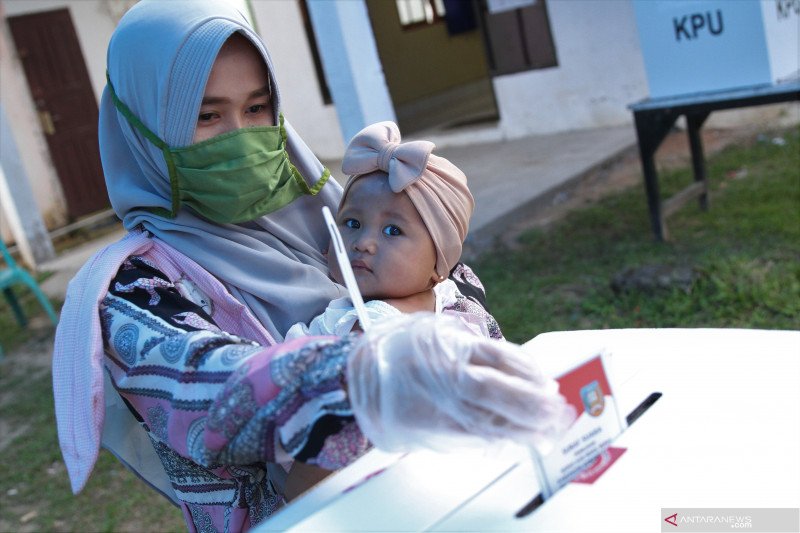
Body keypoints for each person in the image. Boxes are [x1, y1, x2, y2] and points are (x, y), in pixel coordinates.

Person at [50, 1, 574, 531]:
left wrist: (424, 321)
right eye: (207, 116)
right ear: (139, 126)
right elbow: (211, 391)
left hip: (449, 495)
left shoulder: (332, 211)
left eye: (257, 109)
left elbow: (456, 282)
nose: (242, 137)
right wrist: (367, 369)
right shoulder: (137, 289)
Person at [286, 121, 503, 340]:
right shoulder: (451, 297)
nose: (363, 243)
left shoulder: (369, 331)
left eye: (392, 231)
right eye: (353, 224)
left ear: (439, 263)